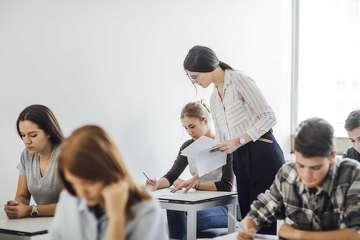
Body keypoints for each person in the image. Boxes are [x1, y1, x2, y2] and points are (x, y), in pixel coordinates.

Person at [183, 45, 284, 234]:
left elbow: (269, 116)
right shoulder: (214, 98)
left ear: (208, 67)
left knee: (262, 223)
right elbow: (219, 146)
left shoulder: (239, 80)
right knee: (247, 222)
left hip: (263, 152)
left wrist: (238, 140)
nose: (194, 82)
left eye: (195, 76)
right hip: (239, 158)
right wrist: (197, 177)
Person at [237, 118, 360, 240]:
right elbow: (264, 207)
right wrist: (249, 223)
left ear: (332, 156)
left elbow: (356, 234)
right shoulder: (288, 173)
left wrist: (298, 235)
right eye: (301, 165)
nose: (306, 175)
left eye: (315, 167)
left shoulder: (353, 174)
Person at [49, 125, 168, 240]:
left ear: (110, 173)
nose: (81, 192)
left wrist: (116, 218)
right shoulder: (68, 198)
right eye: (73, 183)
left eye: (89, 183)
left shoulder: (146, 209)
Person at [145, 101, 233, 239]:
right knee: (174, 208)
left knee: (186, 220)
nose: (189, 132)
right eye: (185, 128)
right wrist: (156, 185)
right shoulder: (188, 146)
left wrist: (194, 184)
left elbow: (226, 186)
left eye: (192, 126)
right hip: (198, 203)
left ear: (204, 120)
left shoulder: (225, 144)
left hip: (224, 207)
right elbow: (171, 176)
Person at [4, 104, 64, 218]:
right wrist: (16, 208)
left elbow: (72, 205)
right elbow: (22, 196)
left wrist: (31, 210)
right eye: (23, 135)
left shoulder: (67, 154)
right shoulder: (27, 155)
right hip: (43, 223)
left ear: (49, 132)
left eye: (33, 135)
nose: (27, 141)